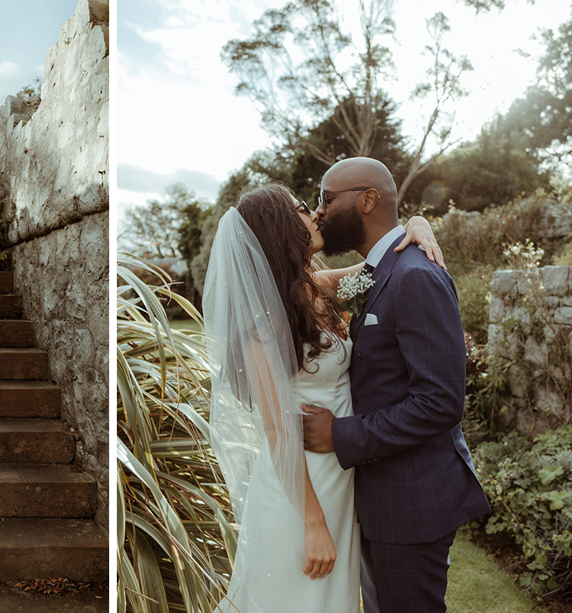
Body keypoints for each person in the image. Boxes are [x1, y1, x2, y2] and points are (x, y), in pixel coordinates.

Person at [204, 183, 444, 613]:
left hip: (339, 471)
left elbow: (380, 267)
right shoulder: (262, 324)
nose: (315, 214)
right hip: (299, 487)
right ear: (279, 226)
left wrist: (417, 223)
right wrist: (312, 525)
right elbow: (278, 431)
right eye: (301, 207)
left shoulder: (314, 289)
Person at [302, 157, 490, 613]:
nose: (320, 212)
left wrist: (340, 435)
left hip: (412, 507)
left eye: (327, 199)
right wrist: (418, 221)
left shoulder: (416, 276)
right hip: (379, 500)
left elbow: (440, 402)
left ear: (368, 200)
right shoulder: (377, 271)